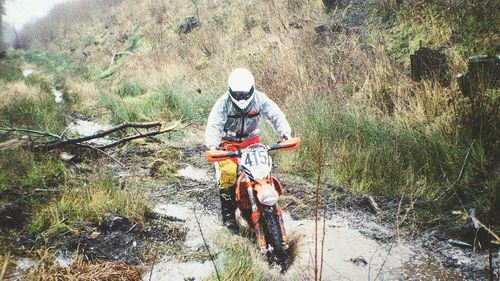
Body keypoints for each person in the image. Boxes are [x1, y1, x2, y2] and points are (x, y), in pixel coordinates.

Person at [205, 68, 292, 232]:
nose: (242, 98)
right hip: (228, 143)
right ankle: (229, 216)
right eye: (238, 95)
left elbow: (275, 115)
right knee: (228, 173)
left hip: (252, 141)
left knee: (262, 172)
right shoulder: (223, 103)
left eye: (245, 94)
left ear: (252, 89)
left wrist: (285, 133)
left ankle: (266, 205)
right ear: (230, 91)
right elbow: (214, 124)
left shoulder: (260, 99)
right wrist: (212, 145)